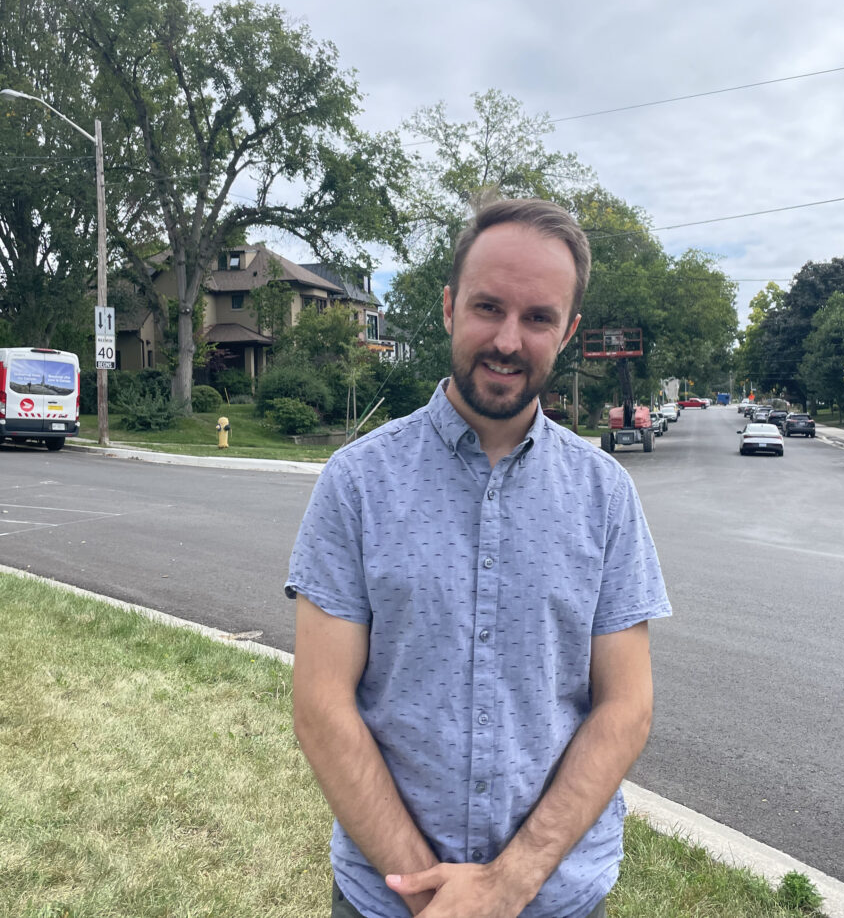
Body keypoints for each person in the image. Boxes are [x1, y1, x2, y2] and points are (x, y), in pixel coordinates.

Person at [286, 197, 671, 918]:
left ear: (569, 332)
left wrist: (507, 884)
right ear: (448, 306)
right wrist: (432, 894)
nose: (507, 339)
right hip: (389, 900)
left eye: (537, 318)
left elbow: (626, 707)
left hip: (555, 898)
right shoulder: (358, 484)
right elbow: (321, 706)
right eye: (487, 307)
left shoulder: (606, 496)